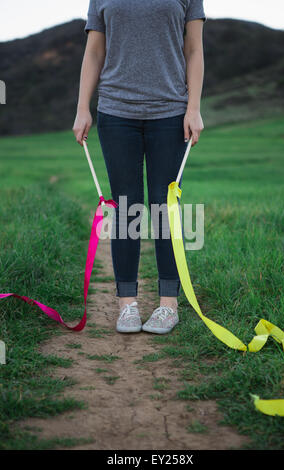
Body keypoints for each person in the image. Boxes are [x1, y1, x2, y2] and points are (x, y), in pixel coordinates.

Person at [73, 0, 206, 335]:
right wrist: (82, 108)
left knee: (164, 207)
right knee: (126, 207)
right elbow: (94, 51)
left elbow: (193, 49)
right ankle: (127, 304)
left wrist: (194, 108)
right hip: (116, 113)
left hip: (171, 113)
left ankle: (168, 306)